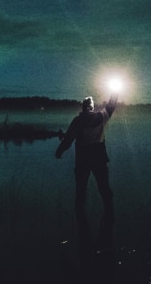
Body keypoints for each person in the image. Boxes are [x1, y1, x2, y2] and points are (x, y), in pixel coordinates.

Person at [55, 93, 119, 240]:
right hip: (99, 158)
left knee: (81, 191)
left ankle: (81, 221)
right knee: (104, 188)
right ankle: (109, 217)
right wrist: (114, 93)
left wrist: (59, 151)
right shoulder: (101, 117)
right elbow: (111, 106)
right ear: (92, 106)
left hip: (82, 160)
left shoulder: (77, 121)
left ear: (83, 107)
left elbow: (69, 140)